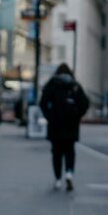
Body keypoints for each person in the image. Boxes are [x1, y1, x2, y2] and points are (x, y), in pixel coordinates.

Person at [39, 63, 90, 191]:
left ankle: (57, 179)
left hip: (55, 124)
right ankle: (69, 173)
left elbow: (43, 103)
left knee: (56, 152)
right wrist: (77, 115)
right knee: (70, 151)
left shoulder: (52, 84)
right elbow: (85, 103)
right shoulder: (75, 85)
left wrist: (49, 116)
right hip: (71, 124)